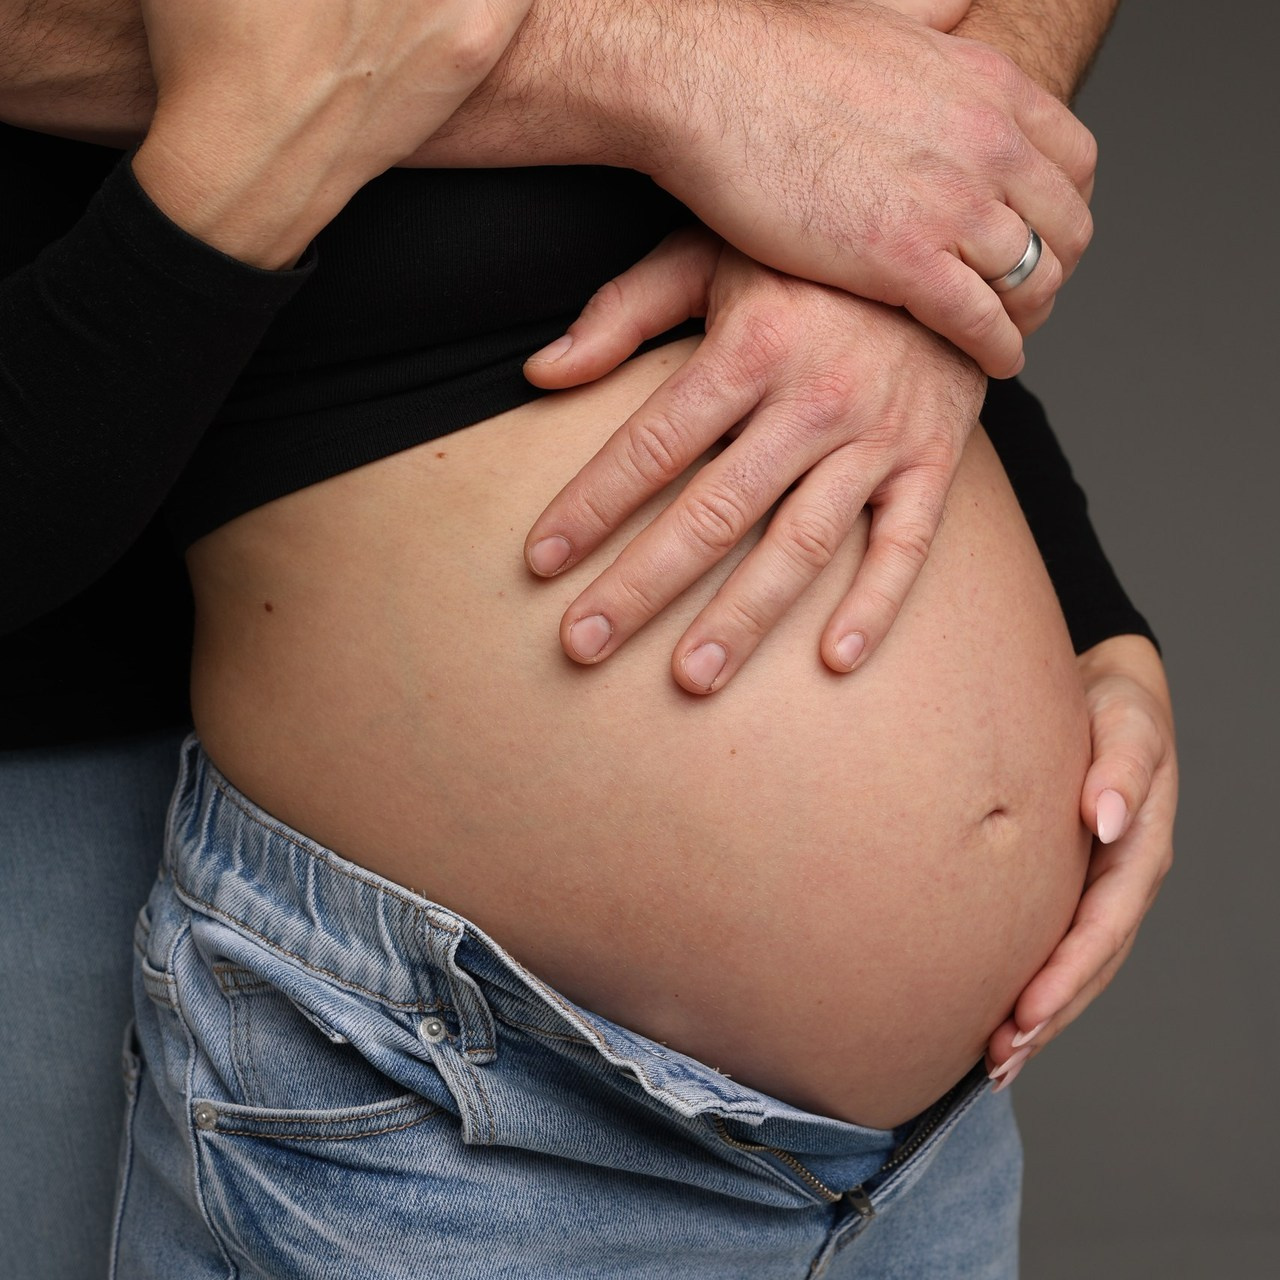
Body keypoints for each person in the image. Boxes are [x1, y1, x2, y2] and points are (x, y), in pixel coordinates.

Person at [0, 0, 1176, 1275]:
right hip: (451, 1114)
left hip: (927, 1153)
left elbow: (881, 141)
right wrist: (698, 80)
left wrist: (1073, 602)